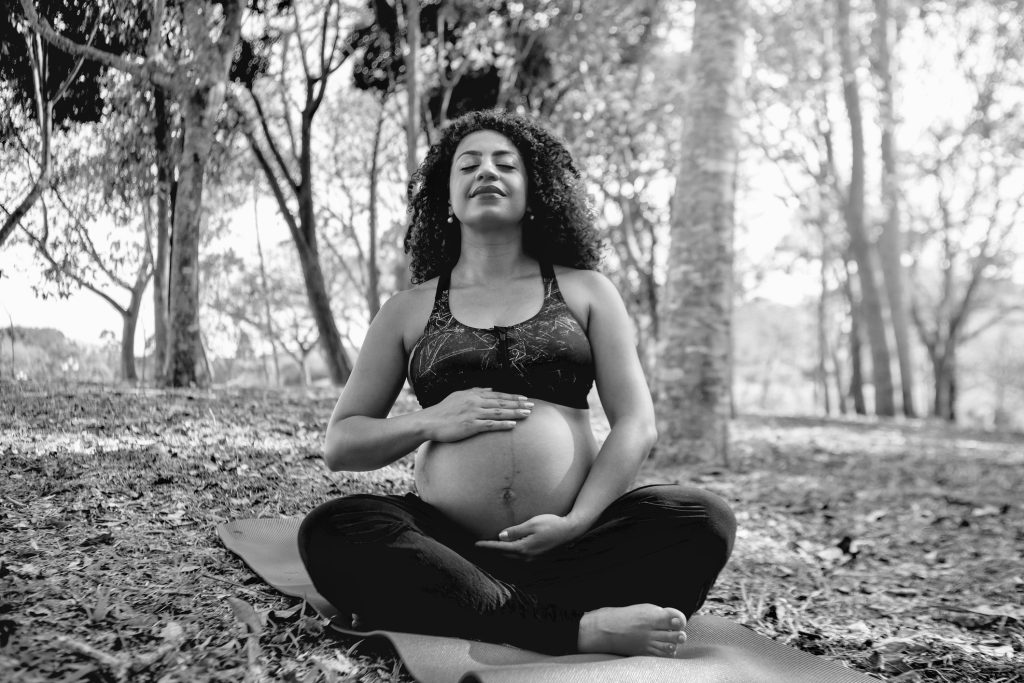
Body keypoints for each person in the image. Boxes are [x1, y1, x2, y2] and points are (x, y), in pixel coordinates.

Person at [298, 109, 736, 657]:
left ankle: (484, 609)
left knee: (703, 518)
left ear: (535, 193)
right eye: (469, 165)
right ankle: (574, 627)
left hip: (577, 544)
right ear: (447, 197)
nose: (487, 172)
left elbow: (637, 425)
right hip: (452, 548)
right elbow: (342, 445)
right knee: (334, 529)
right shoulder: (406, 310)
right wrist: (432, 419)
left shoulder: (587, 291)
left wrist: (577, 522)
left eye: (506, 164)